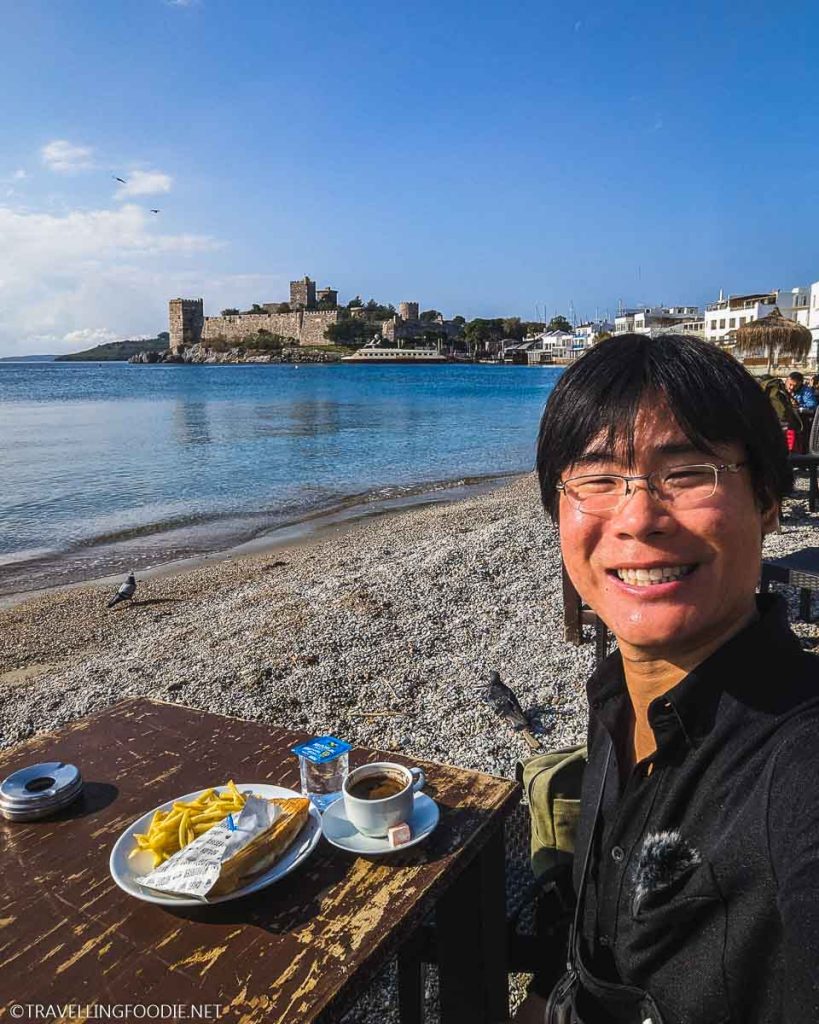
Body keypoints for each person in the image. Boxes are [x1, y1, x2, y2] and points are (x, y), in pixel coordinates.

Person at [516, 334, 819, 1023]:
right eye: (595, 479)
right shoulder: (616, 697)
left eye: (684, 473)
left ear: (767, 500)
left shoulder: (795, 773)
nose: (636, 519)